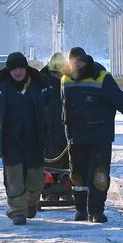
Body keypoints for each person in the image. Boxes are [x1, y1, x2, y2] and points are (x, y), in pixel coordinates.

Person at [61, 47, 123, 223]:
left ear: (86, 61)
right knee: (77, 175)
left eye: (80, 61)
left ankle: (96, 211)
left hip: (99, 136)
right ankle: (80, 210)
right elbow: (63, 107)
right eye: (73, 62)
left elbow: (120, 101)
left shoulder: (101, 77)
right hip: (76, 137)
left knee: (99, 174)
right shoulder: (65, 79)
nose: (76, 64)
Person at [0, 52, 50, 225]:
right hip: (10, 139)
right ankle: (17, 211)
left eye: (21, 67)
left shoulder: (39, 83)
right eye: (14, 68)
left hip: (34, 138)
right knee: (14, 177)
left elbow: (46, 102)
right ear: (9, 70)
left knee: (35, 178)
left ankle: (30, 202)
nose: (18, 72)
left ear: (26, 67)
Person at [40, 52, 71, 201]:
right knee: (49, 165)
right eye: (55, 73)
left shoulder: (70, 83)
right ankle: (49, 192)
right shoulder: (42, 85)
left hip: (66, 132)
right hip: (48, 133)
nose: (58, 76)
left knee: (67, 164)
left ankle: (66, 191)